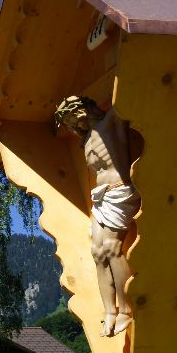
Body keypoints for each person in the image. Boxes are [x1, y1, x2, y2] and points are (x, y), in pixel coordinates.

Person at [54, 95, 141, 337]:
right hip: (100, 197)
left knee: (112, 248)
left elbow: (124, 92)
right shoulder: (87, 139)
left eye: (71, 119)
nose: (73, 126)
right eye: (69, 123)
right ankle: (110, 311)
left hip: (119, 191)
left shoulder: (110, 123)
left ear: (81, 110)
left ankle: (126, 309)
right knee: (97, 252)